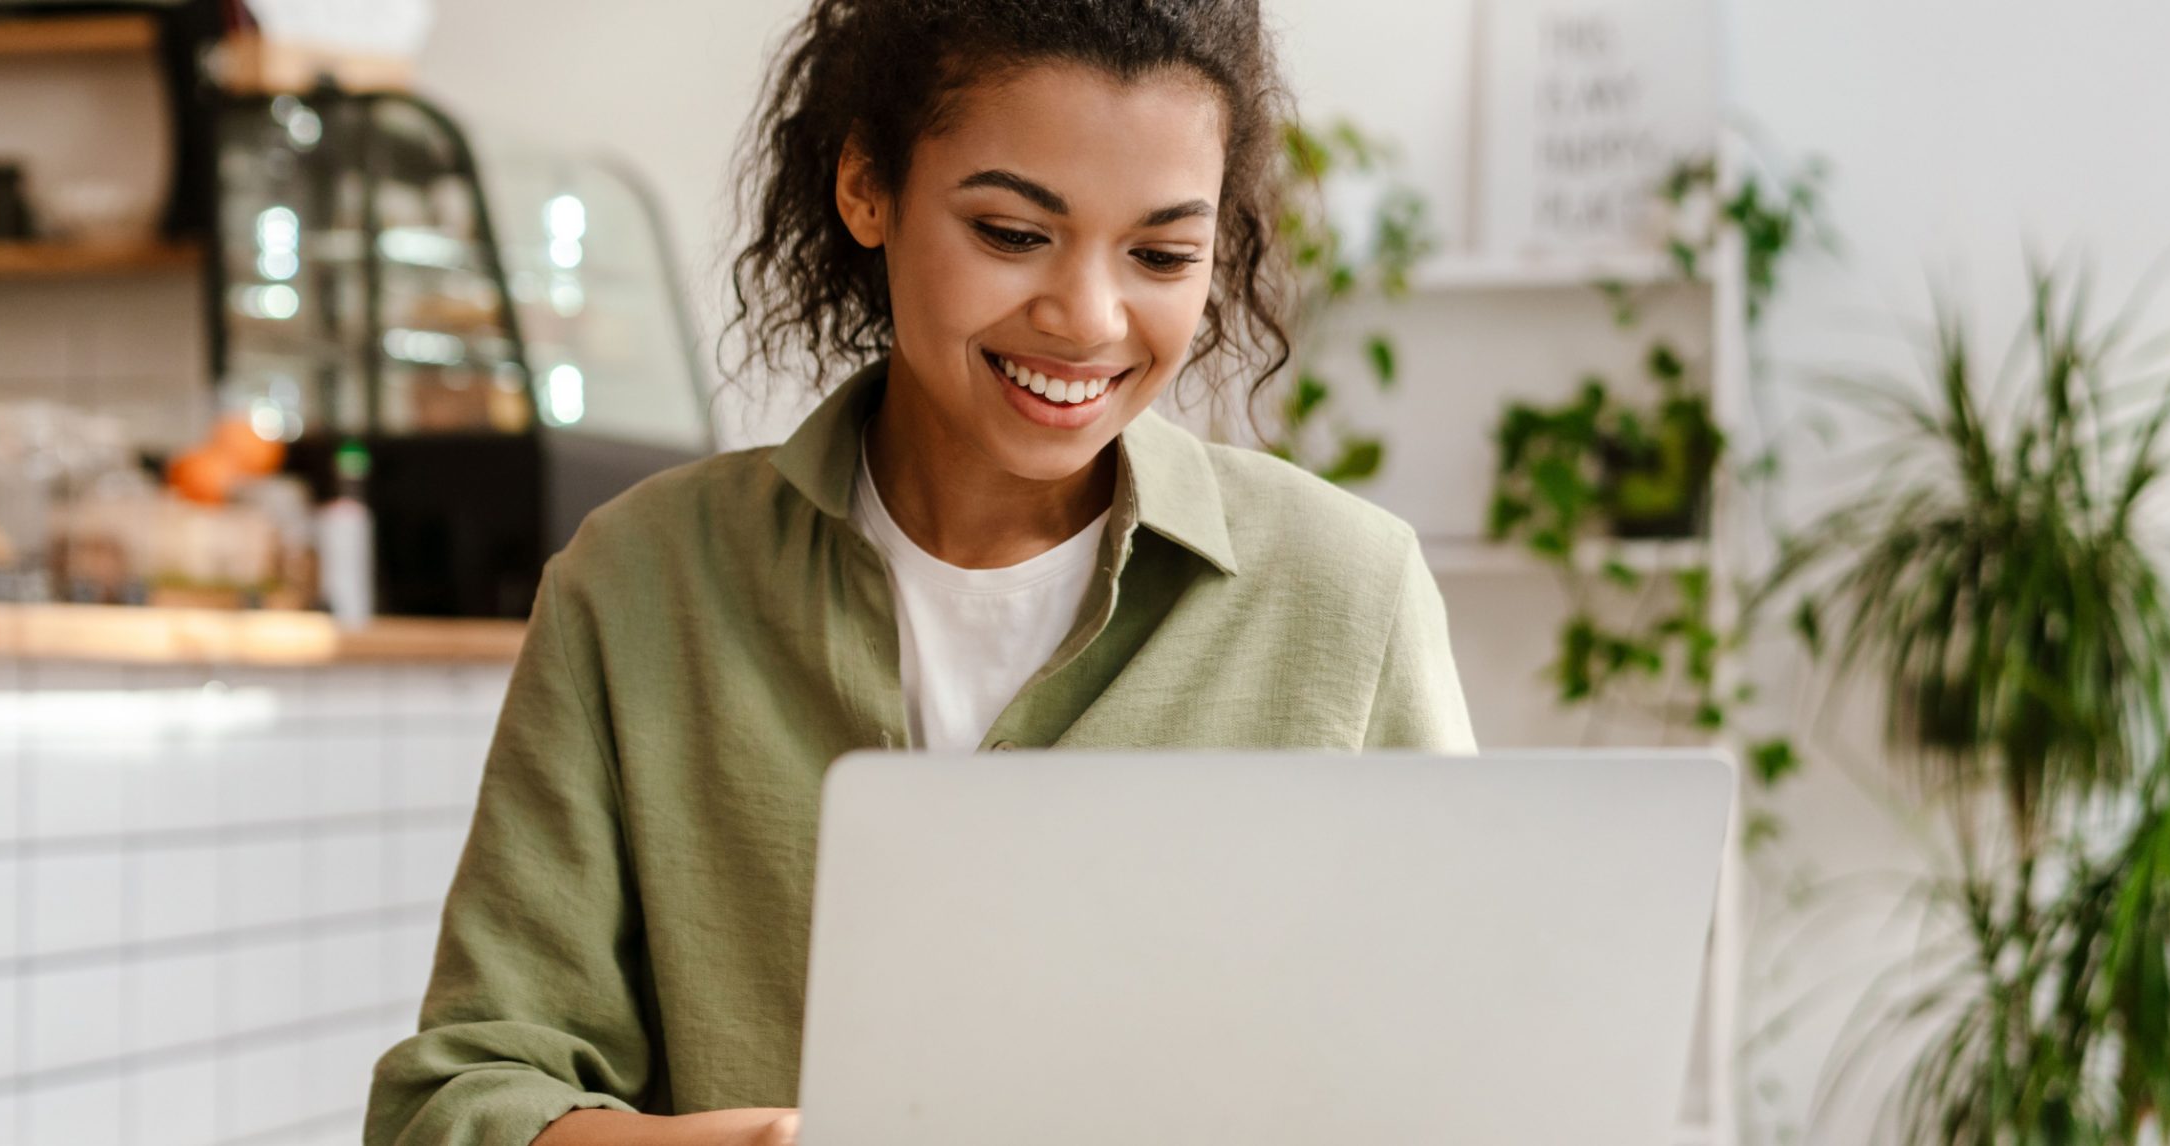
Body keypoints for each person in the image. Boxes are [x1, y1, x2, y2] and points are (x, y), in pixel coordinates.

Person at [365, 1, 1473, 1143]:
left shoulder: (1348, 594)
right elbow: (459, 1100)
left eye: (1160, 255)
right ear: (866, 186)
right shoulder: (642, 584)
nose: (1087, 318)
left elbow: (1468, 1074)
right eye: (1011, 232)